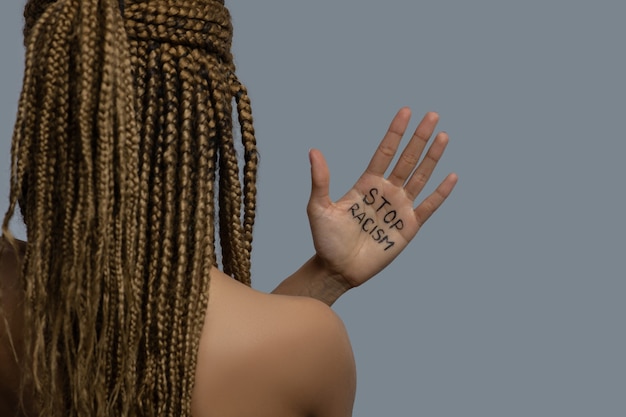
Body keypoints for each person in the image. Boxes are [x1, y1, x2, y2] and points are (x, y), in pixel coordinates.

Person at [0, 0, 458, 416]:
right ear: (210, 109)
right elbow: (222, 367)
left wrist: (327, 277)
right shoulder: (311, 348)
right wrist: (326, 282)